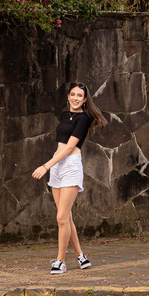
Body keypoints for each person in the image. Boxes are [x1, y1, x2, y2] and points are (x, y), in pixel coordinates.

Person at [32, 82, 107, 274]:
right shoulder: (65, 116)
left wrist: (45, 165)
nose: (75, 98)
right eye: (72, 94)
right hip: (57, 165)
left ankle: (60, 261)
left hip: (70, 166)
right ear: (68, 96)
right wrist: (52, 165)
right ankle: (81, 256)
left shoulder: (84, 119)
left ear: (84, 99)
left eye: (79, 95)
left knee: (61, 217)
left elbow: (68, 148)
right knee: (66, 217)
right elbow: (60, 145)